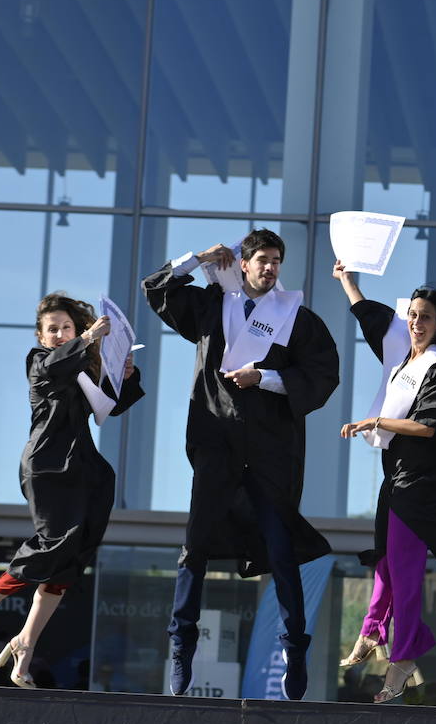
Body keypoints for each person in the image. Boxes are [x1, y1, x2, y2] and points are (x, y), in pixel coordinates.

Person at [143, 230, 339, 700]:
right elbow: (156, 289)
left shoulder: (297, 319)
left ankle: (295, 645)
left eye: (276, 260)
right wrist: (195, 258)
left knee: (280, 547)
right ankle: (181, 644)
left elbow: (322, 375)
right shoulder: (214, 305)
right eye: (262, 260)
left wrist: (266, 377)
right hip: (217, 441)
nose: (270, 267)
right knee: (196, 546)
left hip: (272, 451)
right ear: (243, 264)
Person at [0, 293, 143, 689]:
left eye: (66, 328)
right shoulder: (40, 362)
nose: (59, 334)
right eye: (52, 329)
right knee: (55, 541)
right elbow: (57, 363)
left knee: (72, 558)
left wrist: (124, 375)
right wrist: (88, 339)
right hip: (48, 464)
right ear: (41, 336)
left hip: (86, 469)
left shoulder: (81, 368)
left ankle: (26, 642)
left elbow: (112, 407)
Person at [334, 263, 436, 704]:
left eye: (425, 317)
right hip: (397, 470)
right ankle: (371, 631)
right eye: (413, 315)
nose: (416, 323)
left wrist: (377, 420)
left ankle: (401, 659)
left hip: (426, 474)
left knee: (403, 570)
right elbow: (369, 315)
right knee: (385, 558)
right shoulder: (405, 353)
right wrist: (347, 280)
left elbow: (434, 425)